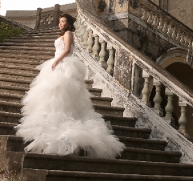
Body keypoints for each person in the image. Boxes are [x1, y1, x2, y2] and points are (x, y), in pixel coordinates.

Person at [16, 13, 124, 158]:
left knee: (59, 92)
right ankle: (51, 116)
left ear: (68, 24)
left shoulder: (68, 33)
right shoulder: (63, 33)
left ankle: (63, 119)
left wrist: (56, 61)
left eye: (63, 21)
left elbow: (67, 50)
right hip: (58, 63)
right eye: (59, 21)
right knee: (51, 93)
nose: (60, 24)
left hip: (64, 64)